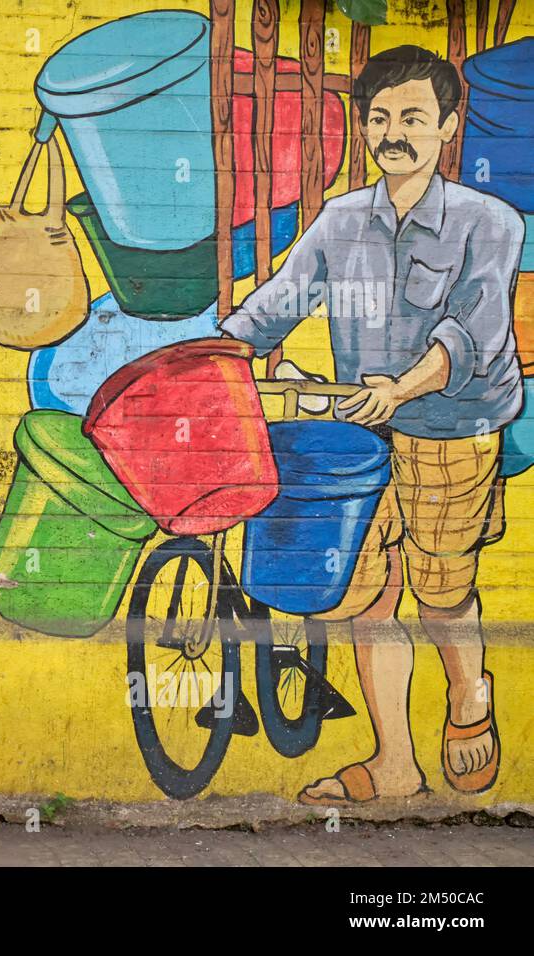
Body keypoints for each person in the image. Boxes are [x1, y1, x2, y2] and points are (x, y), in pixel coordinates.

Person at [219, 45, 524, 803]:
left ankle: (469, 698)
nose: (395, 132)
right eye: (381, 118)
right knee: (370, 596)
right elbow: (284, 298)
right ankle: (395, 765)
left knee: (441, 589)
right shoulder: (341, 219)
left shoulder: (491, 222)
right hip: (361, 428)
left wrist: (403, 389)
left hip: (455, 423)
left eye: (414, 117)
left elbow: (472, 333)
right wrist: (218, 354)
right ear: (362, 129)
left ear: (448, 127)